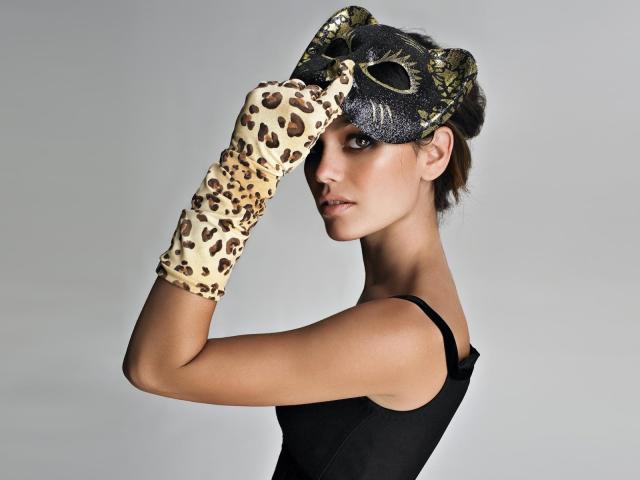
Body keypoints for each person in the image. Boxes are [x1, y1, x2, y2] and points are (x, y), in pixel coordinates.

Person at [123, 5, 486, 479]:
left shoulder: (403, 333)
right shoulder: (407, 308)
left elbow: (156, 367)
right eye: (313, 146)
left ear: (434, 153)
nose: (323, 171)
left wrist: (239, 185)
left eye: (359, 141)